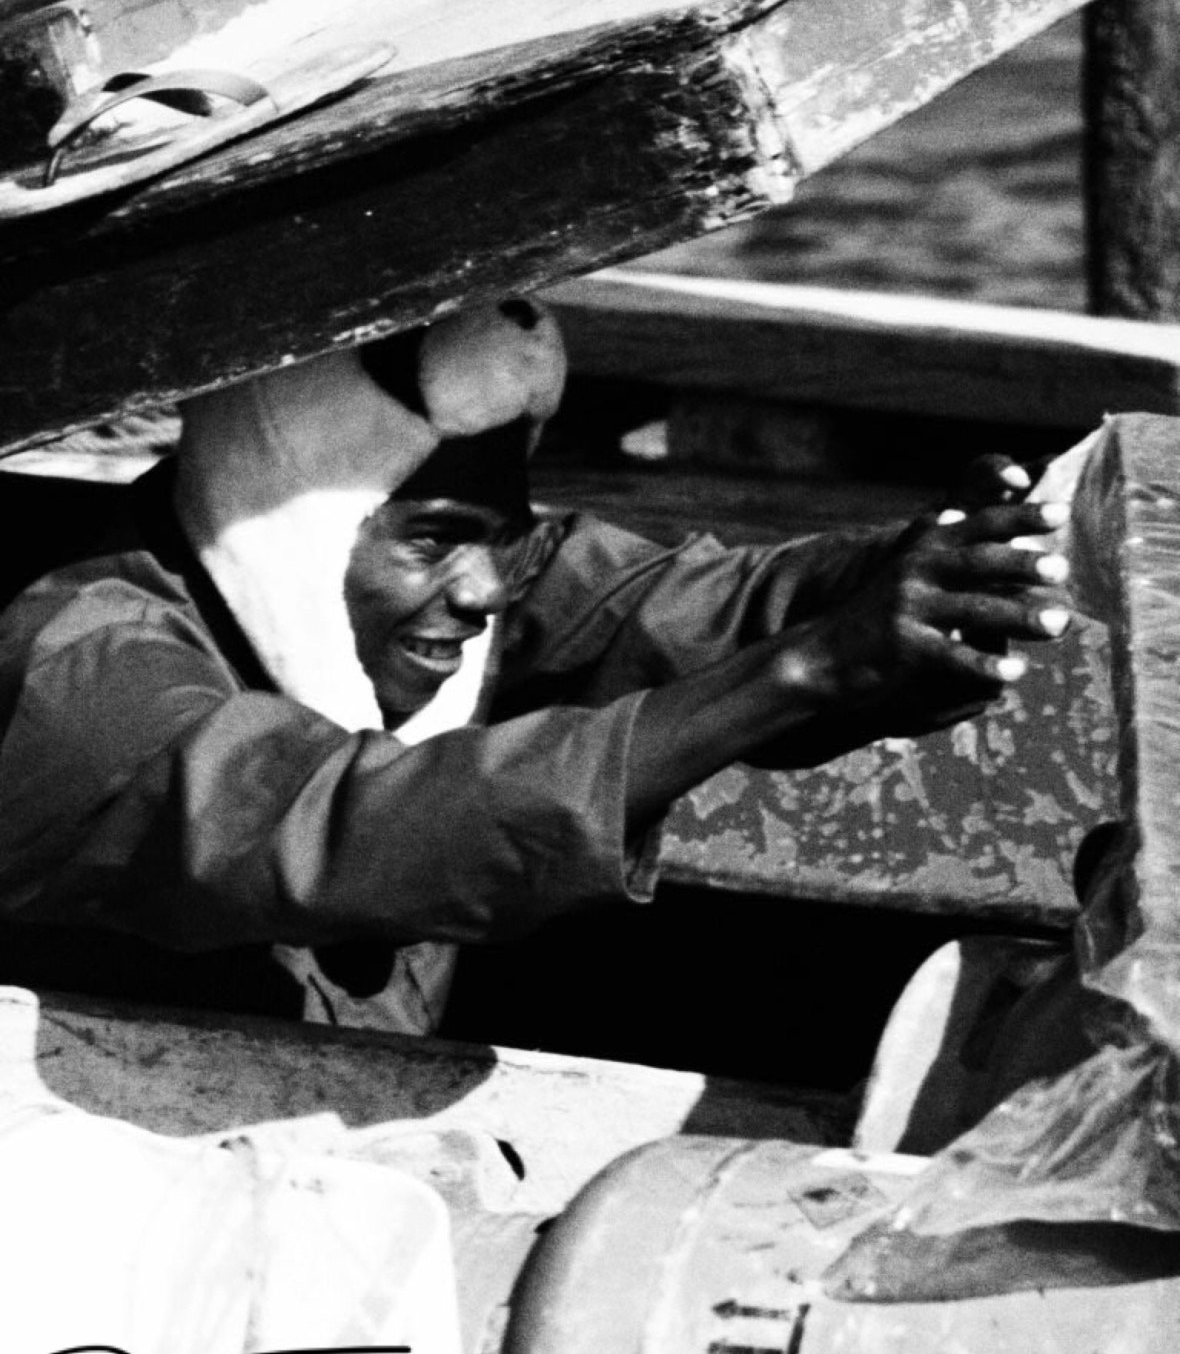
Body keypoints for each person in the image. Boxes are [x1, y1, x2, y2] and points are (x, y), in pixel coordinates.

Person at [0, 299, 1073, 1036]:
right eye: (430, 540)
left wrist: (932, 565)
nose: (483, 590)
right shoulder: (84, 675)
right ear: (291, 525)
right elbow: (340, 831)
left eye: (499, 537)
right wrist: (809, 670)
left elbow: (706, 611)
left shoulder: (466, 583)